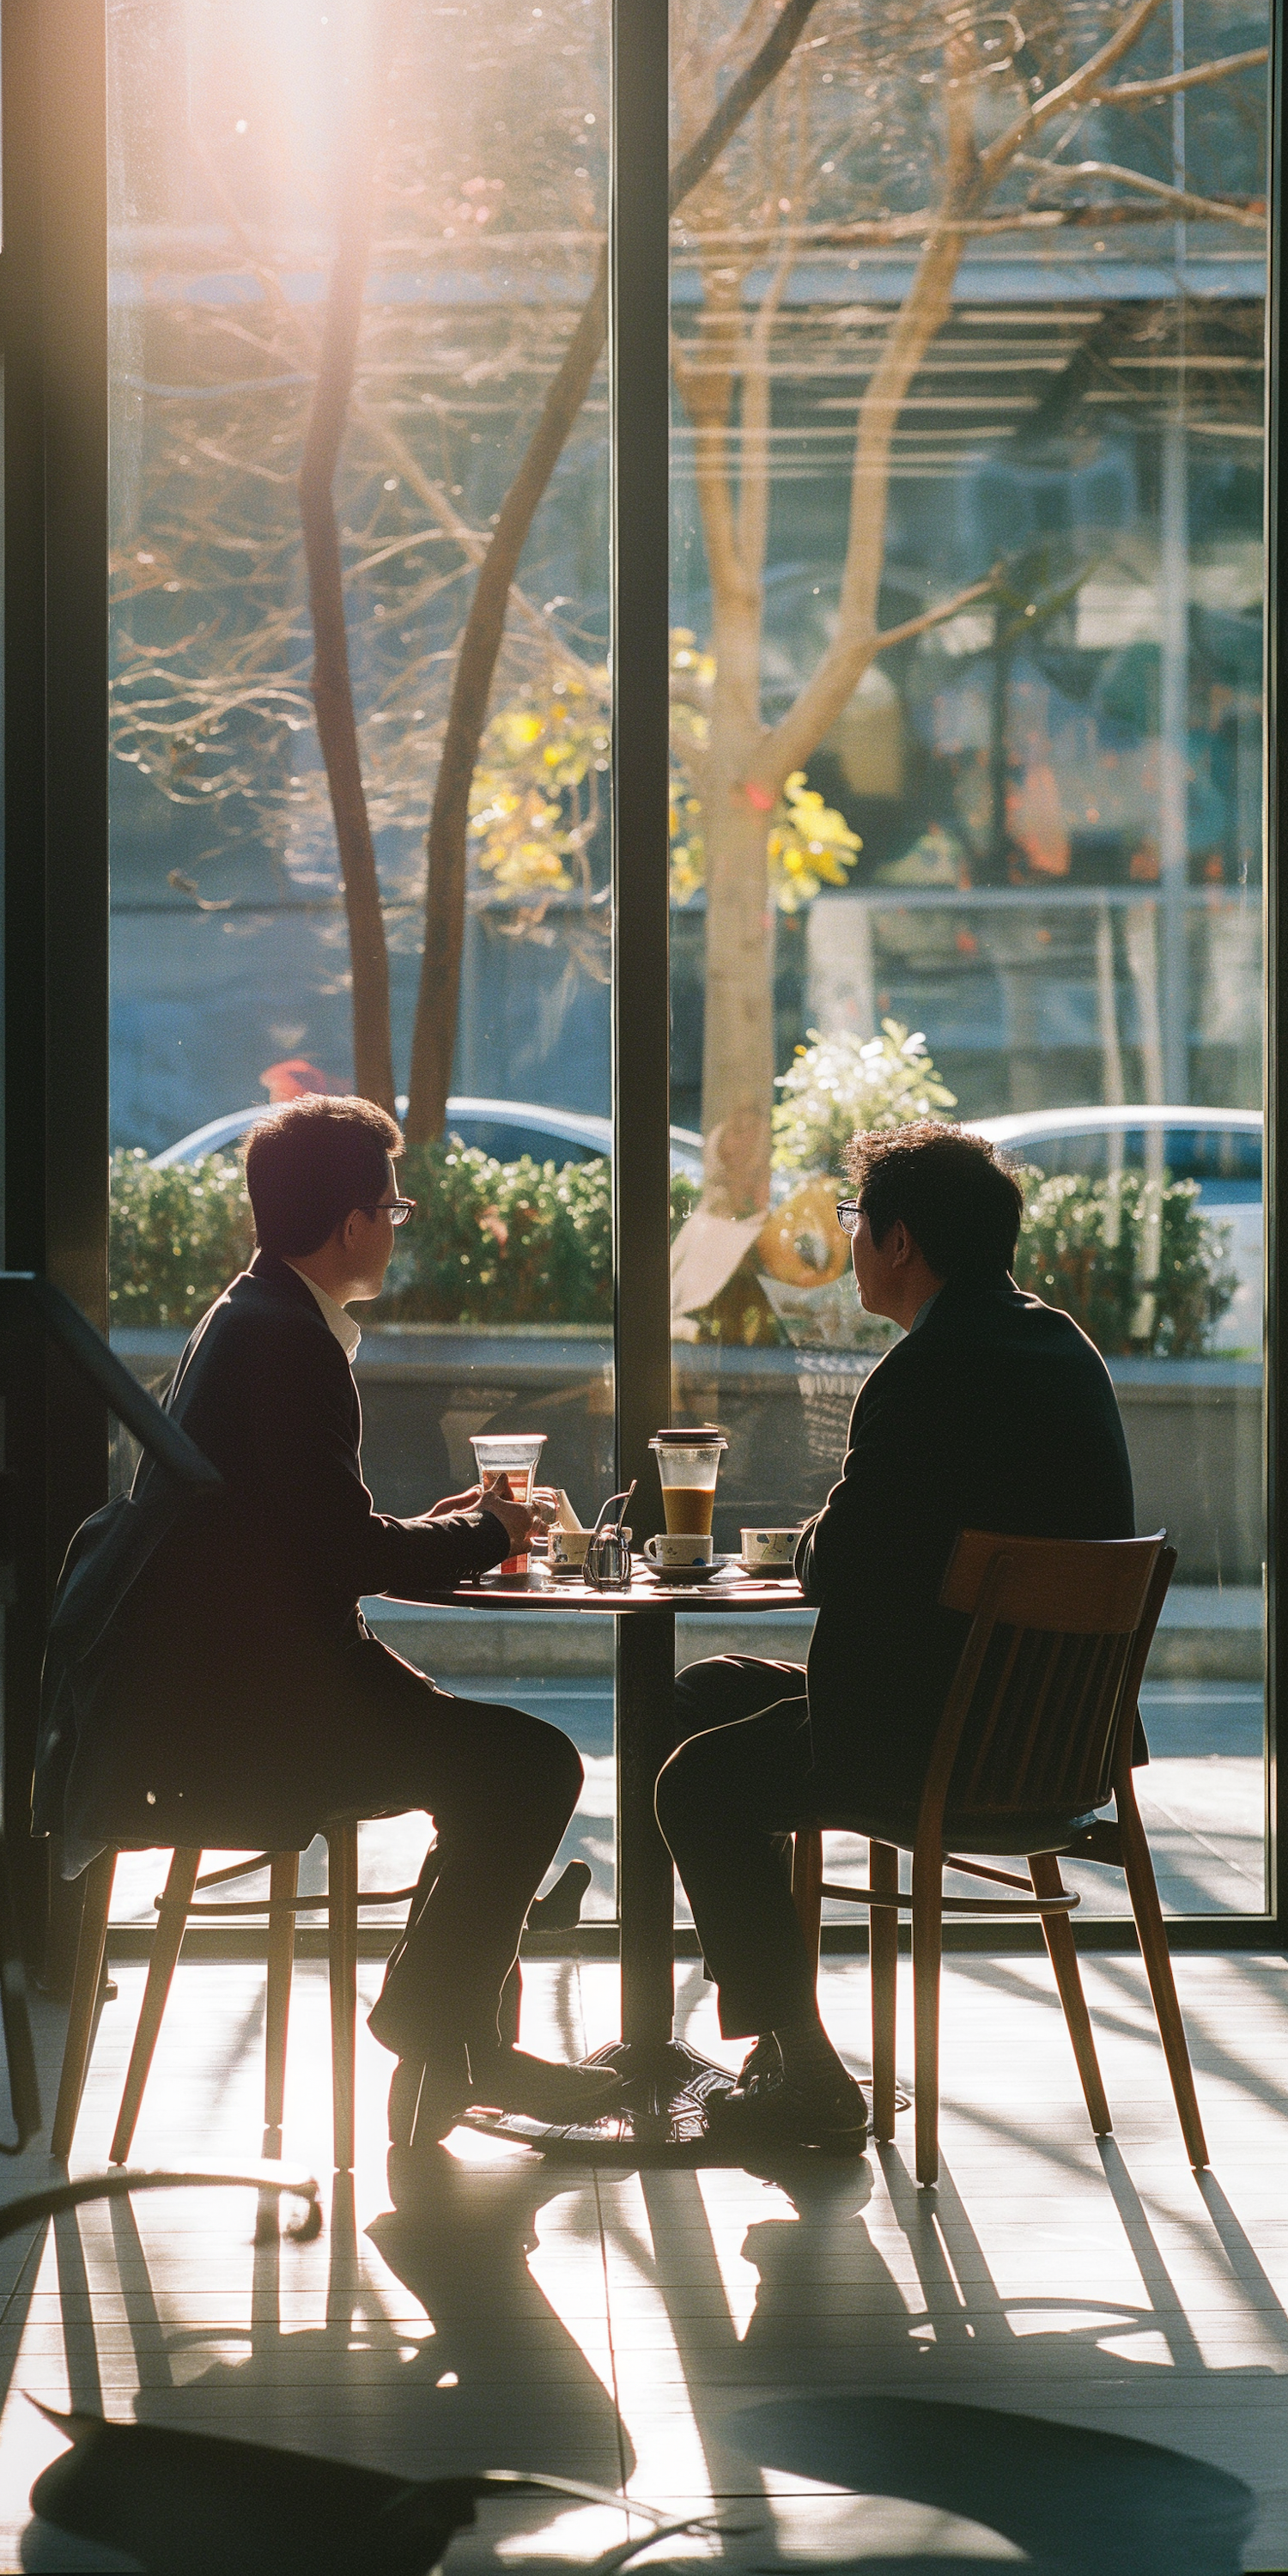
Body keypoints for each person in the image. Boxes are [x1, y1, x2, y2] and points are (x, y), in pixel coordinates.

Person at [36, 1094, 620, 2148]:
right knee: (530, 1769)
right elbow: (342, 1557)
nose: (398, 1225)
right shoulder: (290, 1346)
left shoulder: (246, 1317)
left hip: (219, 1693)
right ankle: (441, 2024)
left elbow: (306, 1534)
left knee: (495, 1768)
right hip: (257, 1721)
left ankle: (459, 2044)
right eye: (392, 1205)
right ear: (353, 1221)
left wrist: (441, 1528)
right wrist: (484, 1537)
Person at [655, 1121, 1134, 2153]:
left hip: (937, 1744)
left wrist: (819, 1530)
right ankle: (786, 2048)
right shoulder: (1064, 1349)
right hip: (1057, 1739)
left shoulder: (924, 1372)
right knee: (701, 1697)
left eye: (856, 1222)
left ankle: (799, 2060)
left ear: (900, 1240)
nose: (852, 1242)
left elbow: (843, 1564)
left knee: (694, 1782)